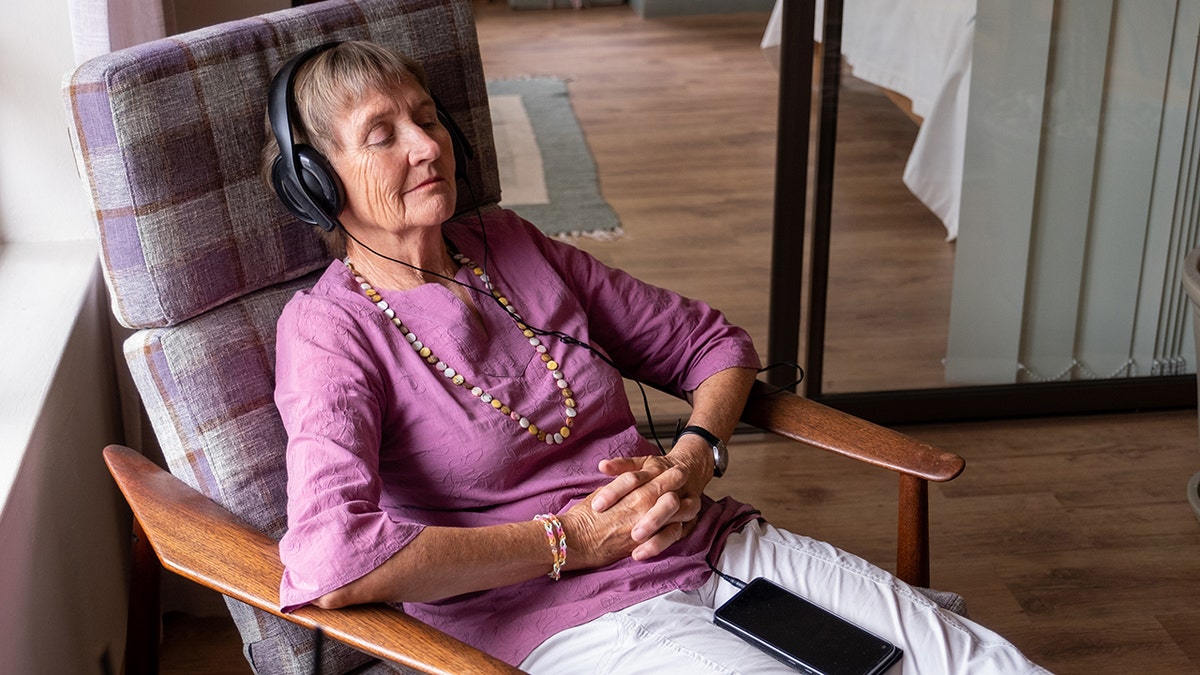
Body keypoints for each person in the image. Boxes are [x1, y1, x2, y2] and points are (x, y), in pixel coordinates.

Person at [265, 40, 1048, 674]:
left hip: (712, 544)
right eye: (382, 133)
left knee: (983, 663)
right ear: (314, 180)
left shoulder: (507, 244)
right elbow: (333, 557)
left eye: (429, 119)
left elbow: (713, 344)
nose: (427, 145)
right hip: (563, 619)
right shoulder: (328, 331)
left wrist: (695, 455)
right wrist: (570, 538)